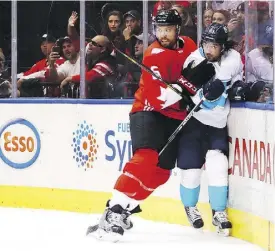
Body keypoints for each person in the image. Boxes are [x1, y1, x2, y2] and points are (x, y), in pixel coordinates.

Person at [87, 9, 216, 242]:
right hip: (148, 111)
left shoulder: (187, 44)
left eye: (168, 30)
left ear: (178, 30)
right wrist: (190, 83)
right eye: (159, 30)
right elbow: (161, 99)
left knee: (161, 173)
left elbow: (202, 66)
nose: (163, 34)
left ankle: (126, 208)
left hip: (175, 116)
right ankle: (112, 210)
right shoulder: (153, 54)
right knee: (146, 157)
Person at [177, 23, 244, 236]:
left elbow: (231, 77)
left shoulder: (232, 58)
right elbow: (188, 95)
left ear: (223, 47)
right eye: (206, 44)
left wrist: (228, 87)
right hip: (194, 122)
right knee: (191, 171)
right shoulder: (193, 61)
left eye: (214, 46)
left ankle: (218, 211)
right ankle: (191, 207)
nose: (209, 50)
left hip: (217, 124)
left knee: (218, 163)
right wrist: (201, 95)